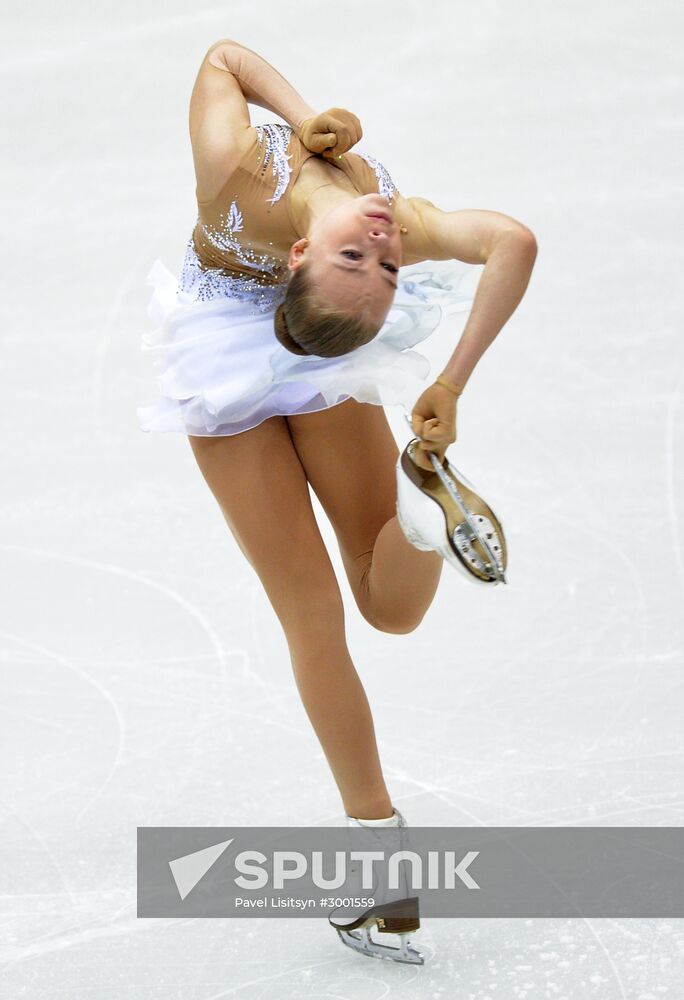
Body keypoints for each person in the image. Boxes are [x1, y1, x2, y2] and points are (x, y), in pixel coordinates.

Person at [137, 38, 538, 962]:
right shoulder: (258, 177)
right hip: (242, 361)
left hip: (290, 362)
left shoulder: (313, 196)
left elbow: (225, 63)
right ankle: (417, 511)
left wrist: (452, 385)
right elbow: (225, 57)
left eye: (385, 266)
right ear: (298, 253)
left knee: (357, 615)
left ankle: (385, 878)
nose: (388, 244)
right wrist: (312, 115)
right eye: (371, 256)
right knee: (348, 610)